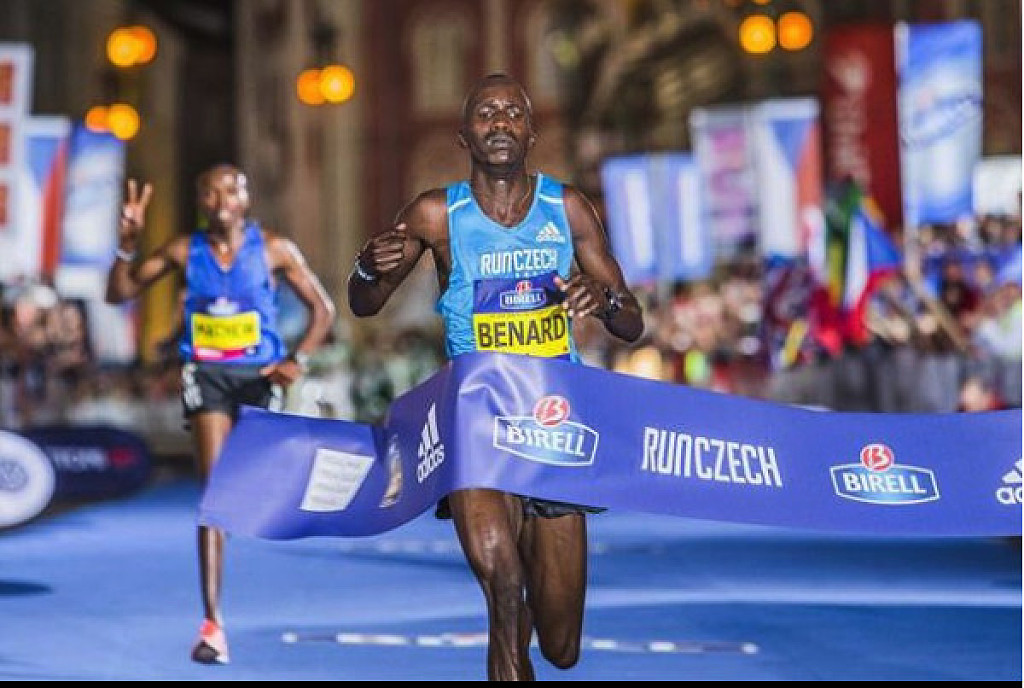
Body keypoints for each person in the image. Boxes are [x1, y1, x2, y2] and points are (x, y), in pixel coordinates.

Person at [348, 73, 643, 680]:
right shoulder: (436, 214)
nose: (500, 122)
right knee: (504, 586)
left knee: (560, 646)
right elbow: (365, 303)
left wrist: (605, 300)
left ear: (531, 132)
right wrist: (366, 267)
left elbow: (631, 323)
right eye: (486, 113)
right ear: (463, 135)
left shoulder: (567, 208)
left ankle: (525, 627)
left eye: (513, 112)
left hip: (555, 424)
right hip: (476, 423)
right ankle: (509, 618)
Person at [105, 164, 336, 665]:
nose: (222, 199)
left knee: (246, 488)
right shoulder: (183, 251)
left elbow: (324, 311)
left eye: (232, 189)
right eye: (211, 192)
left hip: (259, 377)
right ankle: (212, 625)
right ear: (201, 202)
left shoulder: (275, 249)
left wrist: (297, 359)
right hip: (206, 374)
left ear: (246, 198)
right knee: (213, 497)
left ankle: (234, 507)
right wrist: (127, 245)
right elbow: (119, 294)